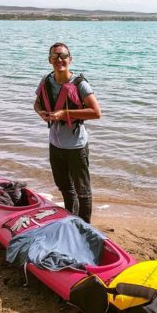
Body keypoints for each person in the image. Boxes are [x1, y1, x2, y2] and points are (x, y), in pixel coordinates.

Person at [34, 42, 101, 223]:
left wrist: (64, 113)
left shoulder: (80, 84)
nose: (59, 60)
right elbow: (37, 103)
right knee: (64, 187)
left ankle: (85, 226)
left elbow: (96, 112)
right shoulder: (46, 81)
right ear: (50, 60)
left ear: (70, 59)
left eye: (63, 56)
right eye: (55, 57)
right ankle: (71, 221)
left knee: (83, 190)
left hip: (76, 146)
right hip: (55, 145)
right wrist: (42, 113)